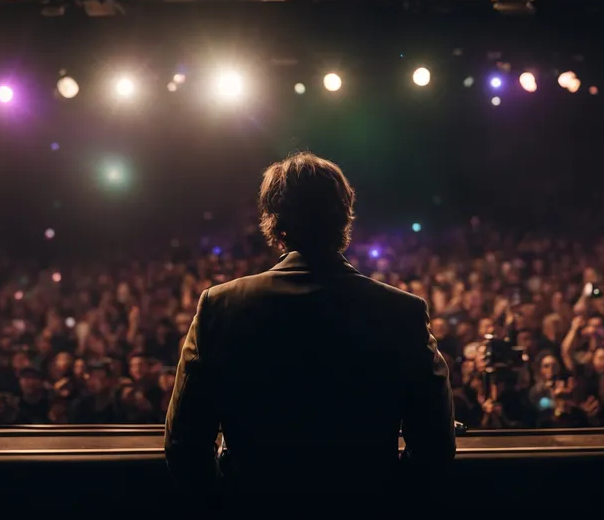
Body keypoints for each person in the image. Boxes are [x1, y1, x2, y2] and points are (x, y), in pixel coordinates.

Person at [164, 152, 456, 516]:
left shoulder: (220, 306)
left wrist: (225, 503)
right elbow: (435, 445)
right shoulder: (402, 311)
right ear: (343, 218)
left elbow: (184, 442)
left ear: (276, 222)